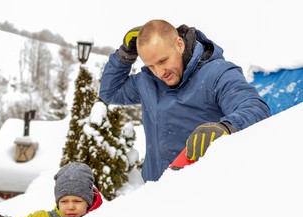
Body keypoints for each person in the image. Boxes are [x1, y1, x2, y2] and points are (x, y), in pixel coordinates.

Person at [99, 19, 271, 182]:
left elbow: (255, 108)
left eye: (163, 60)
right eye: (151, 66)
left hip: (203, 189)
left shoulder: (217, 74)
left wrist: (227, 127)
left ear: (179, 45)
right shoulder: (147, 82)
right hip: (154, 192)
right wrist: (125, 55)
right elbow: (110, 92)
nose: (159, 72)